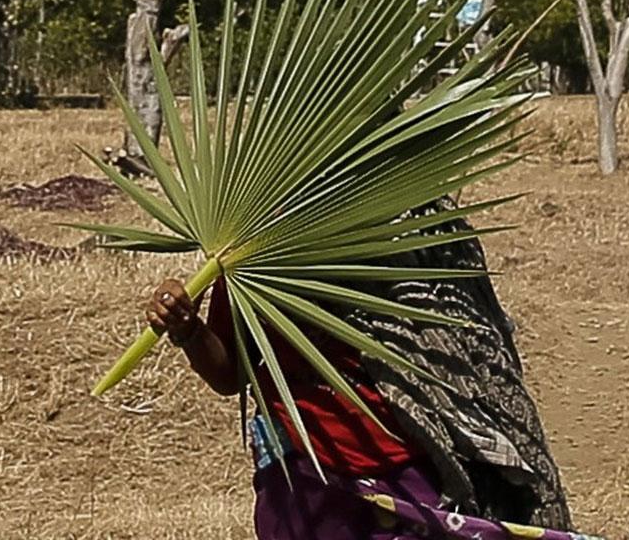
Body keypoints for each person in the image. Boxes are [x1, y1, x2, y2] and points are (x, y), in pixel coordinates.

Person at [143, 219, 597, 540]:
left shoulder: (419, 228)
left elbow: (474, 357)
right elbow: (231, 374)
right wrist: (189, 330)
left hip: (413, 475)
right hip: (305, 479)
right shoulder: (259, 237)